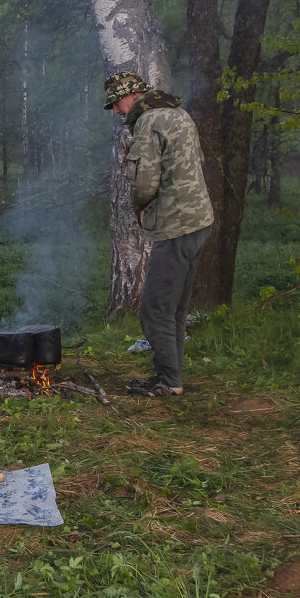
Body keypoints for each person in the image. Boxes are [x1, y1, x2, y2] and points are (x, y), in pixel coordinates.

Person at [104, 71, 214, 398]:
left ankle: (169, 382)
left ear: (131, 95)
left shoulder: (148, 122)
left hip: (176, 224)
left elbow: (144, 184)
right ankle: (171, 377)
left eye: (115, 103)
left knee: (154, 308)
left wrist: (134, 186)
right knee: (175, 309)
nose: (115, 112)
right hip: (199, 219)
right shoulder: (176, 113)